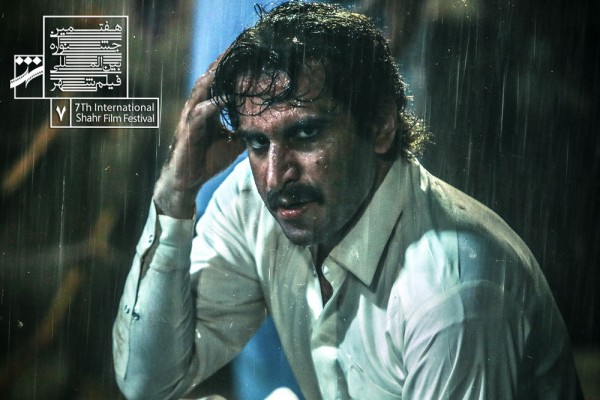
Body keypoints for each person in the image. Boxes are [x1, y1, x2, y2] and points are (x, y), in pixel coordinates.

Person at [113, 2, 582, 399]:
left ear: (380, 125)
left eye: (306, 133)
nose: (275, 176)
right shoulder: (254, 201)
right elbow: (148, 382)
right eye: (257, 142)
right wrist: (175, 193)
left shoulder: (450, 292)